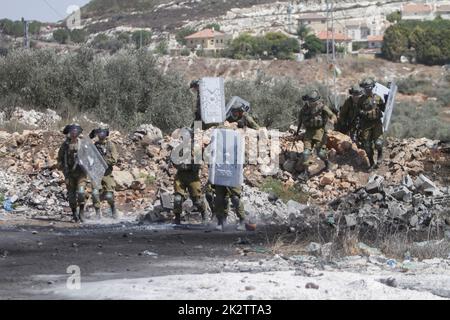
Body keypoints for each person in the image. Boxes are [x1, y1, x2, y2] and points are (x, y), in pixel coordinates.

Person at [171, 128, 207, 225]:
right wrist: (180, 164)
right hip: (181, 176)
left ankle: (204, 215)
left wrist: (190, 164)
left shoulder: (196, 149)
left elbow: (198, 164)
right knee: (177, 199)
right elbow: (174, 160)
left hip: (192, 177)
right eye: (183, 136)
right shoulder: (179, 148)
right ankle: (177, 219)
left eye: (187, 136)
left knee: (197, 201)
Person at [296, 90, 337, 173]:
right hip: (308, 132)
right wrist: (297, 132)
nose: (311, 104)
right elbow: (300, 120)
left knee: (320, 153)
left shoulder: (322, 107)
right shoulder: (304, 109)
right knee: (305, 153)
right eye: (310, 102)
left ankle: (327, 163)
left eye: (313, 102)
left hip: (320, 132)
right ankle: (305, 172)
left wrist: (332, 120)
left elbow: (333, 115)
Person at [57, 124, 87, 223]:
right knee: (71, 196)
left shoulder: (83, 144)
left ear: (78, 133)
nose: (74, 134)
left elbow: (90, 157)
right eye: (72, 132)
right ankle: (74, 214)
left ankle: (81, 212)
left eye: (76, 132)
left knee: (81, 193)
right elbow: (60, 159)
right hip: (69, 174)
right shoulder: (65, 145)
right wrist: (63, 168)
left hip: (81, 173)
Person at [89, 127, 119, 219]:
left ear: (106, 134)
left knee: (109, 195)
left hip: (107, 173)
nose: (101, 135)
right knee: (94, 193)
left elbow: (114, 160)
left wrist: (102, 160)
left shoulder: (110, 145)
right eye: (99, 133)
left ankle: (113, 209)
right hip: (96, 173)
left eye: (103, 133)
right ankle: (98, 213)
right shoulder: (94, 146)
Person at [357, 78, 386, 169]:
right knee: (367, 146)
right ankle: (371, 162)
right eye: (366, 88)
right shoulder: (361, 100)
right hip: (366, 124)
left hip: (376, 123)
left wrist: (386, 101)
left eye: (369, 87)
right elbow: (357, 112)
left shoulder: (377, 97)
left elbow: (384, 108)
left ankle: (380, 155)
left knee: (378, 143)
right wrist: (362, 113)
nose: (368, 90)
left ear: (372, 87)